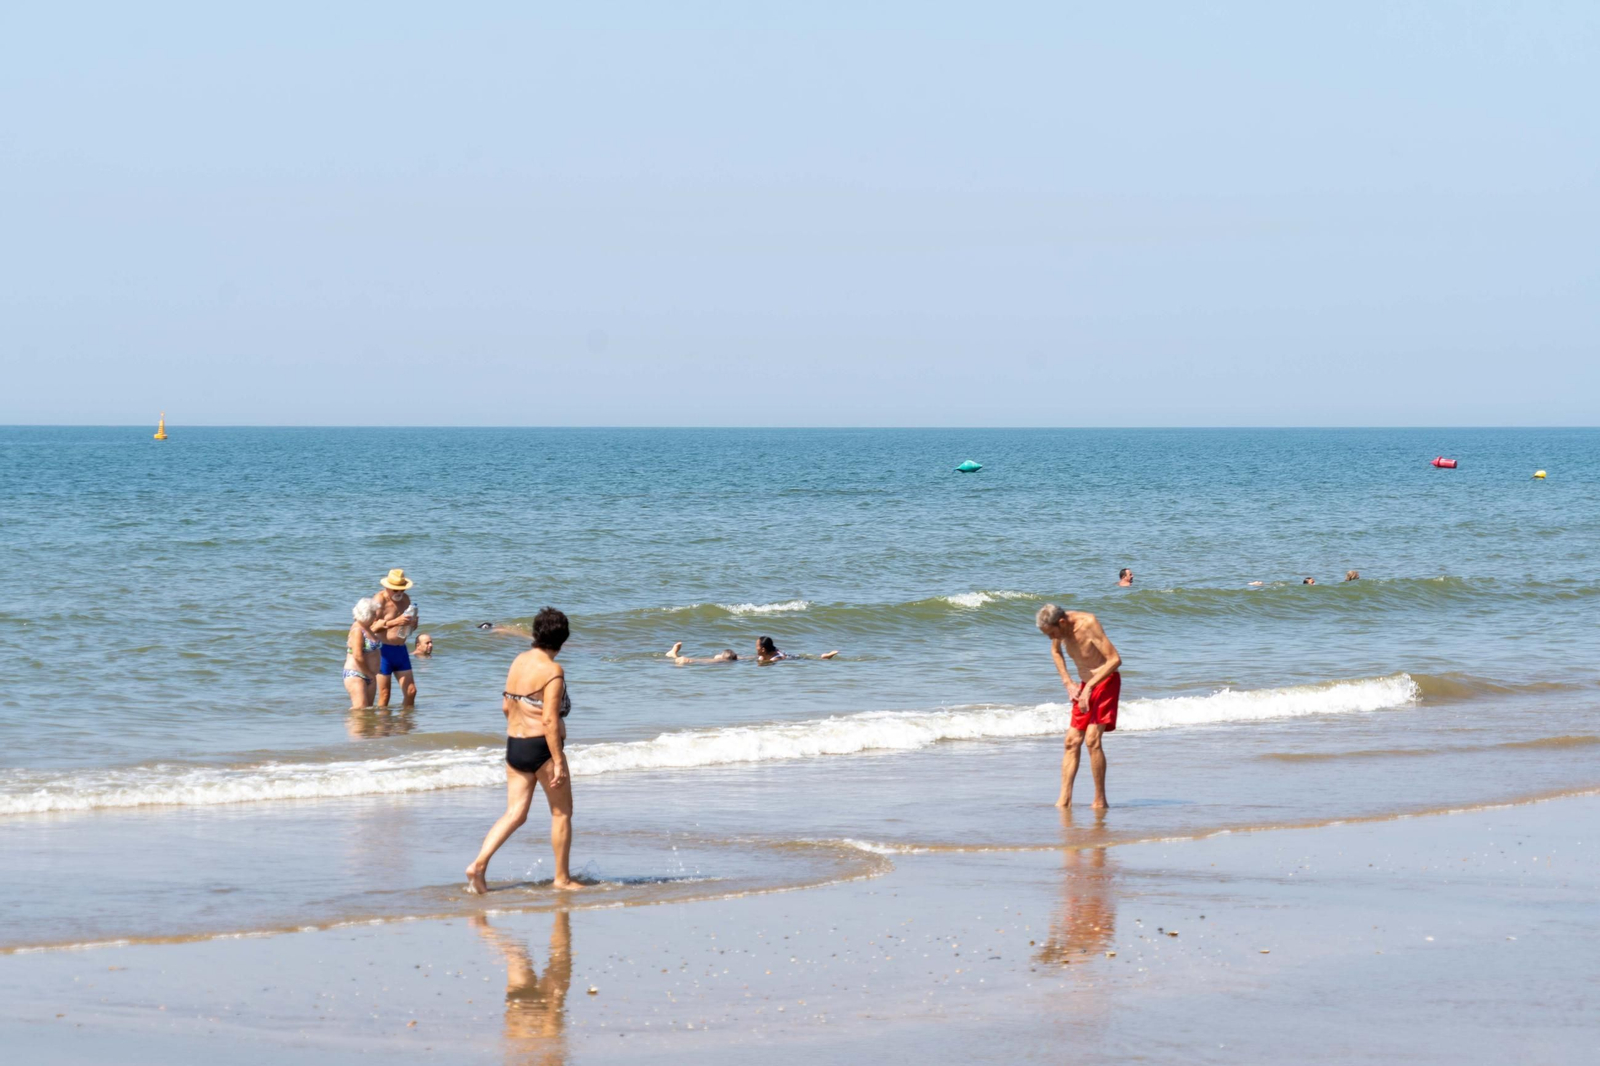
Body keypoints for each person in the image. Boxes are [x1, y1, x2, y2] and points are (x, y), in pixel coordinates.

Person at [466, 607, 581, 894]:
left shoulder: (519, 660)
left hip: (515, 745)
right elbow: (550, 719)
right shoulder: (553, 670)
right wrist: (558, 760)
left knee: (514, 813)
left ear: (535, 633)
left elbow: (506, 705)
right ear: (563, 639)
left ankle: (479, 864)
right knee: (561, 813)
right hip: (542, 748)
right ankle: (561, 879)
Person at [1035, 604, 1124, 809]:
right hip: (1084, 686)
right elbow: (1056, 652)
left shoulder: (1088, 623)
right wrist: (1068, 682)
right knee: (1071, 741)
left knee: (1092, 740)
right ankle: (1064, 800)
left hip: (1105, 682)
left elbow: (1114, 660)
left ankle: (1100, 800)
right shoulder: (1059, 629)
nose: (1051, 638)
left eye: (1052, 633)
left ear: (1062, 623)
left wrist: (1090, 687)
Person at [371, 569, 418, 707]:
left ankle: (406, 725)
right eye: (395, 590)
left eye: (401, 590)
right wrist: (395, 622)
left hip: (400, 650)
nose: (399, 593)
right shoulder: (379, 600)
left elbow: (407, 626)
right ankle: (382, 728)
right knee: (385, 694)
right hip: (382, 651)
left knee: (411, 691)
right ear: (387, 587)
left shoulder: (406, 599)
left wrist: (413, 624)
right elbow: (372, 628)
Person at [342, 598, 382, 709]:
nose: (376, 617)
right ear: (366, 614)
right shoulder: (357, 630)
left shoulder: (368, 628)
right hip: (356, 674)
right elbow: (357, 656)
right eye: (374, 614)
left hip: (370, 675)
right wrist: (368, 674)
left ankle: (365, 727)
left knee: (368, 711)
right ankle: (351, 726)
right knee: (359, 709)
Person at [755, 636, 839, 662]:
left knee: (811, 659)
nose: (755, 648)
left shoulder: (775, 659)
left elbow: (777, 659)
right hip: (784, 654)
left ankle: (825, 656)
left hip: (793, 657)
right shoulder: (763, 655)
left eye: (756, 646)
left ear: (763, 649)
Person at [668, 642, 738, 664]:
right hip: (690, 660)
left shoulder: (720, 660)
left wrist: (689, 660)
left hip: (687, 660)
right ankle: (673, 654)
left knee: (671, 660)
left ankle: (673, 654)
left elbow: (716, 657)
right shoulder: (726, 661)